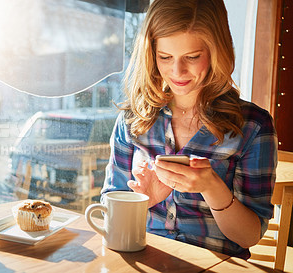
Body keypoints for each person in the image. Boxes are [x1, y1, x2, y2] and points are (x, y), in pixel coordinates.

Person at [101, 0, 278, 259]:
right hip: (145, 259)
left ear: (217, 51)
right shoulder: (133, 119)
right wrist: (142, 202)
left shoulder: (252, 127)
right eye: (165, 57)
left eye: (192, 57)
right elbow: (107, 212)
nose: (177, 71)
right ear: (151, 54)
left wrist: (212, 187)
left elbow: (249, 236)